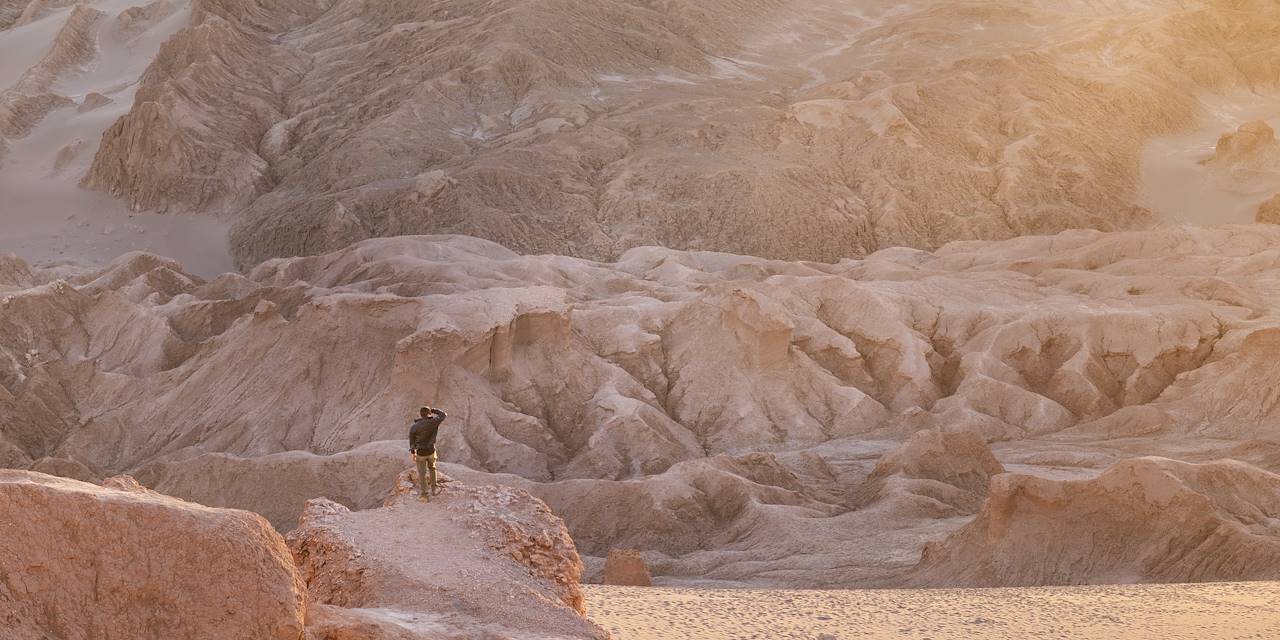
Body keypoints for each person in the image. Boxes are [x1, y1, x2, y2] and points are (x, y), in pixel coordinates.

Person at [409, 405, 447, 501]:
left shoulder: (414, 427)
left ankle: (425, 494)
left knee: (422, 474)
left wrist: (413, 453)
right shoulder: (433, 422)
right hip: (431, 451)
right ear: (429, 413)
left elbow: (412, 442)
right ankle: (434, 489)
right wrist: (434, 410)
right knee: (432, 469)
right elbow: (443, 415)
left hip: (421, 453)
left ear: (420, 414)